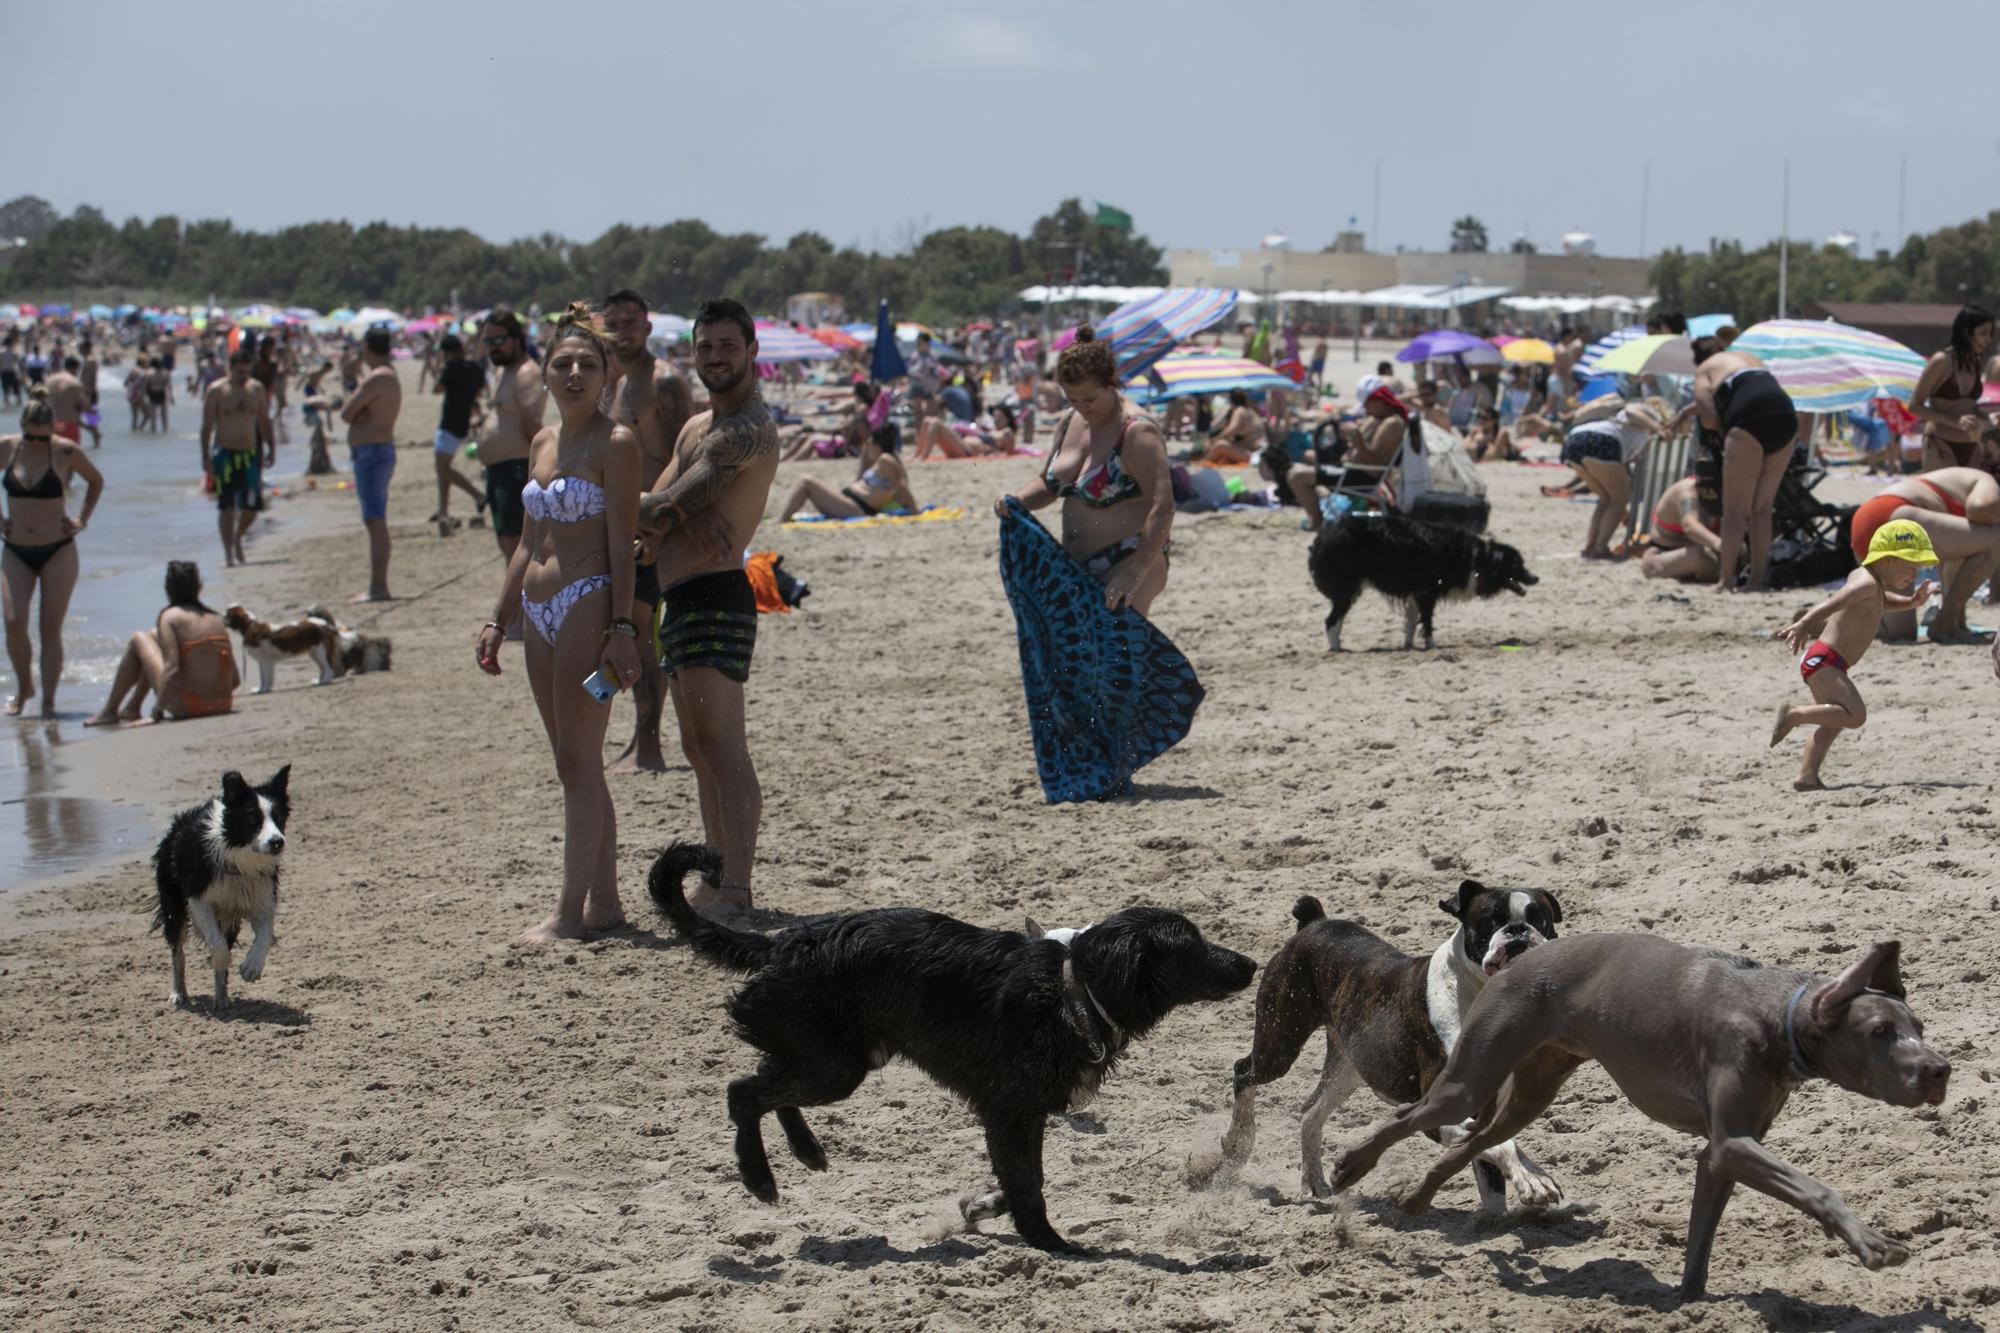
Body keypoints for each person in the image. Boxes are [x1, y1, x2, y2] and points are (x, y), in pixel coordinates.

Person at [474, 304, 641, 945]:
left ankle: (568, 914)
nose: (574, 373)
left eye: (587, 365)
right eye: (562, 363)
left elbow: (624, 545)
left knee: (577, 761)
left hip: (590, 605)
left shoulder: (616, 444)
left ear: (606, 376)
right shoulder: (544, 441)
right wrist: (498, 617)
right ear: (544, 372)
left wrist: (623, 627)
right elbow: (526, 540)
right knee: (576, 763)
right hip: (538, 616)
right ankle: (606, 904)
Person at [635, 298, 781, 917]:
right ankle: (716, 878)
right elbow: (664, 508)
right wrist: (665, 517)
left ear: (751, 352)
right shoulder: (698, 427)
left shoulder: (746, 429)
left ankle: (739, 889)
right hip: (681, 598)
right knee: (698, 750)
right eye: (705, 346)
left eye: (727, 346)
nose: (715, 357)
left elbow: (660, 508)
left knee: (723, 749)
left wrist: (649, 511)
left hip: (718, 597)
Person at [995, 325, 1174, 613]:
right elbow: (1048, 484)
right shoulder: (1069, 421)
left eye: (1089, 399)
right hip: (1076, 565)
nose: (1082, 408)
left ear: (1111, 383)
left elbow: (1163, 506)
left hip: (1128, 559)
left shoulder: (1137, 432)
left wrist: (1135, 571)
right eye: (1072, 399)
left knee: (1116, 655)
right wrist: (1016, 502)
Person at [599, 289, 693, 776]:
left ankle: (650, 747)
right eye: (612, 323)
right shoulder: (616, 385)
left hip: (657, 532)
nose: (621, 331)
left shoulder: (664, 382)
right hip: (624, 532)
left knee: (641, 638)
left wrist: (659, 527)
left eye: (629, 322)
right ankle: (639, 740)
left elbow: (689, 456)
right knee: (626, 637)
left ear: (648, 327)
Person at [1770, 520, 1935, 791]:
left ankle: (1807, 776)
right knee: (1855, 716)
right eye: (1910, 568)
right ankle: (1794, 714)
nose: (1912, 578)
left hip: (1826, 662)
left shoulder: (1872, 586)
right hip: (1825, 662)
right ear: (1890, 559)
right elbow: (1833, 602)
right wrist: (1804, 624)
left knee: (1833, 721)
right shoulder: (1865, 583)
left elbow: (1881, 603)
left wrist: (1911, 602)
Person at [2, 389, 105, 717]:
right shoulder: (6, 446)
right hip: (16, 550)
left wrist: (81, 520)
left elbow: (96, 481)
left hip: (58, 552)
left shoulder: (65, 451)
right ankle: (23, 688)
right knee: (14, 623)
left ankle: (48, 701)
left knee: (50, 628)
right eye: (30, 438)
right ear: (22, 428)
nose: (35, 444)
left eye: (41, 439)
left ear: (53, 431)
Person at [1845, 466, 2000, 643]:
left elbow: (1955, 567)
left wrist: (1960, 620)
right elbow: (1981, 507)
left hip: (1869, 522)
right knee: (1997, 539)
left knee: (1900, 632)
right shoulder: (1987, 480)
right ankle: (1944, 623)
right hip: (1895, 514)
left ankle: (1819, 619)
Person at [1691, 336, 1798, 591]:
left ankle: (1726, 580)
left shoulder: (1705, 369)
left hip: (1747, 417)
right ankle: (1757, 580)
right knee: (1762, 509)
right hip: (1784, 414)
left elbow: (1708, 420)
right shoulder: (1750, 358)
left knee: (1735, 511)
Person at [84, 561, 238, 726]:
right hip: (223, 704)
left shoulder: (170, 617)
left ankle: (109, 711)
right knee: (153, 637)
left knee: (139, 638)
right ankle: (132, 707)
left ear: (168, 588)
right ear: (198, 587)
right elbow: (235, 679)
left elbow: (172, 666)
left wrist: (156, 713)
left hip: (190, 707)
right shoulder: (214, 618)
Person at [1558, 396, 1671, 559]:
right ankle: (1600, 548)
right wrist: (1658, 427)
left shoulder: (1630, 426)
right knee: (1619, 498)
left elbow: (1620, 465)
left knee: (1606, 498)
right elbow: (1631, 411)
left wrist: (1621, 511)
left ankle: (1591, 547)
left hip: (1576, 440)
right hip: (1602, 440)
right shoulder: (1650, 413)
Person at [477, 309, 546, 566]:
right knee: (507, 544)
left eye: (498, 340)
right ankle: (517, 604)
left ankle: (522, 604)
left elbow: (533, 425)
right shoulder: (502, 371)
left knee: (519, 547)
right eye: (487, 341)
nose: (492, 347)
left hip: (516, 469)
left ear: (516, 338)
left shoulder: (526, 373)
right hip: (497, 471)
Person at [338, 328, 404, 602]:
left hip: (372, 452)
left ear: (367, 347)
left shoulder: (378, 378)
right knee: (374, 518)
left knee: (375, 520)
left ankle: (378, 588)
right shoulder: (384, 377)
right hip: (376, 450)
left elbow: (346, 412)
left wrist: (350, 381)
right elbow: (355, 411)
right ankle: (377, 586)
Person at [201, 348, 273, 568]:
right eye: (239, 372)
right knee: (227, 506)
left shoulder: (256, 389)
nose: (243, 377)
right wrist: (205, 457)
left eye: (247, 372)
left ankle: (238, 537)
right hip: (225, 454)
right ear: (229, 369)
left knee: (253, 505)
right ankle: (228, 554)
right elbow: (206, 427)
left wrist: (272, 447)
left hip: (250, 454)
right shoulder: (216, 391)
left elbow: (264, 421)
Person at [1908, 305, 1995, 471]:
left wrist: (1988, 419)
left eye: (1990, 334)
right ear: (1966, 332)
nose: (1988, 339)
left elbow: (1968, 406)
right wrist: (1955, 422)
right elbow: (1914, 406)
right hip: (1941, 444)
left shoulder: (1975, 364)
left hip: (1972, 446)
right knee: (1942, 496)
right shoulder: (1942, 361)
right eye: (1983, 333)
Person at [777, 424, 917, 520]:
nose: (866, 447)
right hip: (851, 503)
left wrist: (915, 513)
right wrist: (864, 457)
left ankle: (781, 520)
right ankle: (783, 517)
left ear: (877, 446)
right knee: (808, 481)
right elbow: (860, 480)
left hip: (856, 508)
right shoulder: (880, 462)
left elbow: (902, 486)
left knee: (806, 481)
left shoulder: (886, 460)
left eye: (869, 444)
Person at [431, 334, 488, 536]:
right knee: (443, 469)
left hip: (448, 423)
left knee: (442, 469)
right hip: (462, 422)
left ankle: (478, 495)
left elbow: (437, 389)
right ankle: (443, 511)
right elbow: (481, 390)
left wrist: (438, 368)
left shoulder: (451, 368)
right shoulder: (473, 368)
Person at [1639, 476, 1722, 582]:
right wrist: (1719, 544)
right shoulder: (1688, 490)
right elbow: (1690, 527)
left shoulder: (1725, 492)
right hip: (1661, 555)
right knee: (1702, 557)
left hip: (1694, 554)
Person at [1204, 389, 1264, 464]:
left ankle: (1204, 462)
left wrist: (1214, 440)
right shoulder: (1250, 411)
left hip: (1255, 455)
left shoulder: (1239, 410)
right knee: (1224, 449)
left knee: (1220, 445)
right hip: (1259, 452)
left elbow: (1231, 429)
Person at [45, 357, 89, 444]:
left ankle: (95, 434)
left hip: (52, 423)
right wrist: (94, 424)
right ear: (76, 368)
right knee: (72, 454)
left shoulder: (50, 380)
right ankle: (96, 435)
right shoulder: (75, 382)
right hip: (69, 424)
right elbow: (86, 407)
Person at [76, 340, 101, 447]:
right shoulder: (85, 360)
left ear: (86, 348)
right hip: (84, 392)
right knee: (81, 418)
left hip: (89, 393)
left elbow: (93, 378)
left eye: (80, 348)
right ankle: (95, 435)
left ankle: (96, 437)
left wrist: (90, 393)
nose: (79, 350)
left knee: (91, 419)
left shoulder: (91, 361)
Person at [0, 334, 20, 406]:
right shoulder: (13, 352)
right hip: (11, 371)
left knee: (5, 389)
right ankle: (18, 402)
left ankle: (6, 402)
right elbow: (18, 363)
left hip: (3, 372)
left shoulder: (1, 352)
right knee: (16, 389)